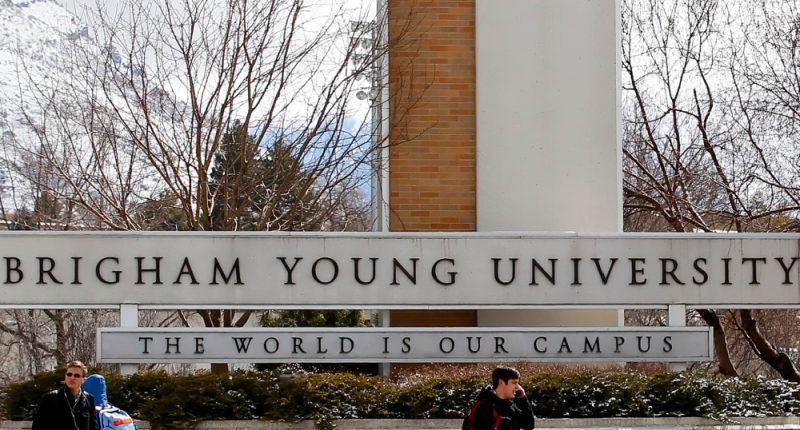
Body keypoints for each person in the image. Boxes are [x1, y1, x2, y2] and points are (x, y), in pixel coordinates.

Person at [463, 366, 536, 430]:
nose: (518, 387)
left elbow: (529, 425)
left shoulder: (510, 406)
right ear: (501, 382)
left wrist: (522, 398)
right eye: (514, 383)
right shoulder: (485, 407)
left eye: (518, 383)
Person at [31, 360, 97, 430]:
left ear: (83, 379)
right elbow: (38, 426)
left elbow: (93, 427)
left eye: (76, 375)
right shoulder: (50, 398)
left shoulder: (89, 399)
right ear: (65, 377)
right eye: (69, 374)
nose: (72, 377)